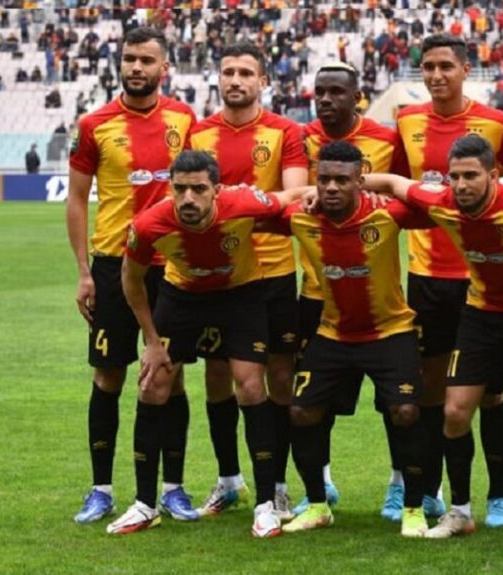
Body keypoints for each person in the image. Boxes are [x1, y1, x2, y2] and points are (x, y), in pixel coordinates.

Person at [361, 135, 503, 546]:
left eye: (470, 176)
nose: (461, 185)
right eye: (455, 176)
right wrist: (342, 187)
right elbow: (393, 183)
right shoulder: (442, 199)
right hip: (482, 314)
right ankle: (460, 512)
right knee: (454, 412)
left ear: (493, 175)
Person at [110, 150, 307, 536]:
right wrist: (152, 341)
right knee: (152, 384)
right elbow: (131, 279)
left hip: (240, 295)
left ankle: (266, 504)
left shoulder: (244, 202)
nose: (188, 198)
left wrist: (322, 193)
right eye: (180, 189)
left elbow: (288, 197)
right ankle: (145, 505)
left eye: (198, 189)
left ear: (217, 190)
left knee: (251, 386)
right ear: (170, 188)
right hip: (182, 296)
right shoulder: (148, 225)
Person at [65, 27, 197, 526]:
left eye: (146, 60)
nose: (136, 67)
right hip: (112, 264)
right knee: (109, 375)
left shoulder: (184, 119)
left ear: (165, 68)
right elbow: (77, 199)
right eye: (129, 59)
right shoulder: (94, 124)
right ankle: (100, 489)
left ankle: (173, 488)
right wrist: (83, 272)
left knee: (171, 375)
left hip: (171, 266)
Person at [270, 141, 433, 539]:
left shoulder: (386, 214)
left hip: (390, 332)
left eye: (342, 180)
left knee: (406, 412)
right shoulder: (301, 218)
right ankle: (318, 505)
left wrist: (387, 185)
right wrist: (298, 194)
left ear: (361, 181)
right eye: (324, 179)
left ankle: (414, 507)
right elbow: (256, 209)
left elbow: (438, 205)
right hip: (333, 333)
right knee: (301, 412)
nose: (331, 187)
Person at [395, 34, 503, 528]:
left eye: (446, 66)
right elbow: (401, 188)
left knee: (489, 394)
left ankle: (499, 496)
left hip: (480, 279)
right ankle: (430, 491)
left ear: (466, 70)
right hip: (425, 277)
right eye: (428, 66)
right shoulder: (407, 121)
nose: (436, 75)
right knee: (430, 389)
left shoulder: (497, 123)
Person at [187, 41, 308, 521]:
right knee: (218, 375)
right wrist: (253, 202)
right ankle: (228, 479)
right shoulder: (199, 133)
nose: (235, 80)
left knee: (277, 376)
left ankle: (276, 485)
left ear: (263, 81)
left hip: (273, 272)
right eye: (228, 71)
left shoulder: (285, 132)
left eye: (244, 72)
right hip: (219, 275)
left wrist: (233, 205)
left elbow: (293, 198)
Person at [292, 62, 412, 518]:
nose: (326, 99)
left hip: (376, 292)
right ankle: (320, 485)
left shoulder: (386, 139)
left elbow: (405, 194)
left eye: (336, 92)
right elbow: (290, 195)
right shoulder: (299, 137)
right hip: (317, 293)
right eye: (319, 91)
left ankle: (401, 485)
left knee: (394, 403)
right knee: (314, 401)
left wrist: (375, 191)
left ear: (357, 96)